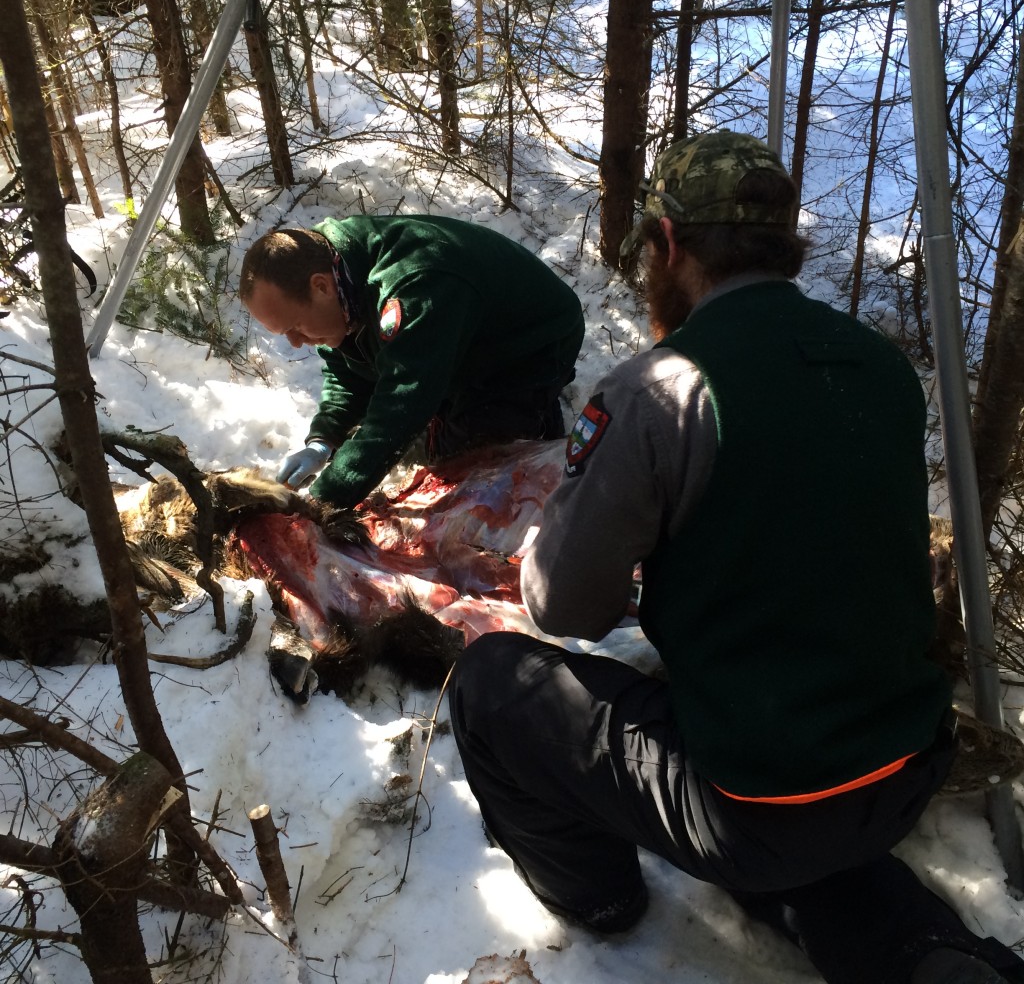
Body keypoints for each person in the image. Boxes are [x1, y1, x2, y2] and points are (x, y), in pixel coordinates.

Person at [447, 131, 1024, 984]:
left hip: (757, 799)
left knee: (494, 684)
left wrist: (558, 541)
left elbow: (564, 608)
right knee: (797, 814)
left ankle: (602, 902)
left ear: (669, 244)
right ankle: (920, 954)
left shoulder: (662, 386)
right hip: (906, 761)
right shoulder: (879, 366)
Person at [239, 215, 585, 508]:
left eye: (295, 327)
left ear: (321, 288)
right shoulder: (333, 277)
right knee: (426, 440)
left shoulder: (415, 284)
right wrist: (323, 439)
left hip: (529, 343)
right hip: (455, 333)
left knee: (471, 475)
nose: (297, 343)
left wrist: (325, 498)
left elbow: (403, 403)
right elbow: (348, 372)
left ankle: (535, 424)